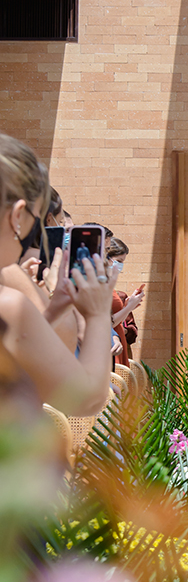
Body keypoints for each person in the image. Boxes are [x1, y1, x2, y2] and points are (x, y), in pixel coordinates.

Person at [0, 135, 117, 416]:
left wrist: (53, 309)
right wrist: (98, 314)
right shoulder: (9, 304)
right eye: (37, 219)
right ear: (17, 216)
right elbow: (84, 399)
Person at [106, 237, 144, 366]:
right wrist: (128, 308)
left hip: (117, 342)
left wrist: (128, 306)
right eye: (118, 261)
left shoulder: (109, 286)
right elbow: (106, 323)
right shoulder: (101, 286)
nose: (120, 266)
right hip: (110, 345)